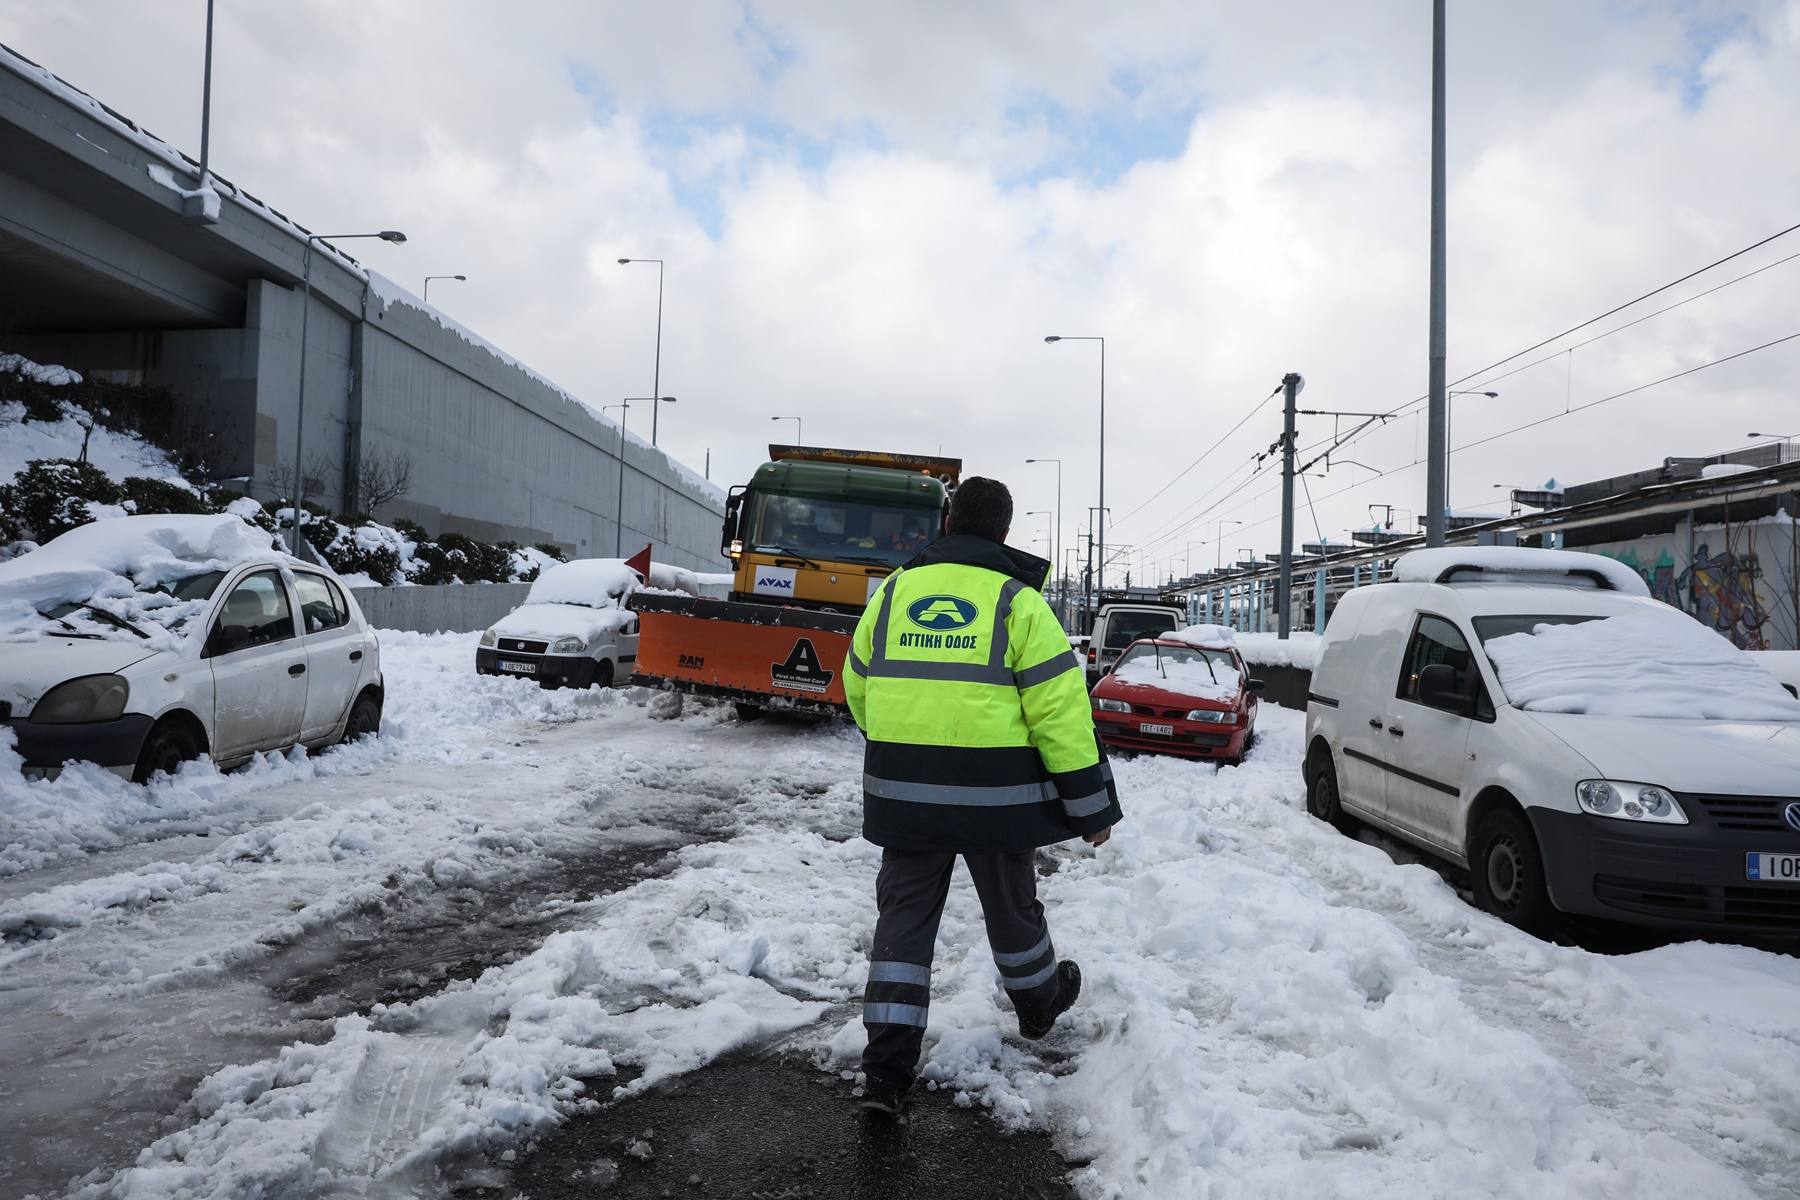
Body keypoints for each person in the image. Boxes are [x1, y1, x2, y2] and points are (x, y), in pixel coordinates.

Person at [843, 476, 1121, 1118]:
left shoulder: (893, 593)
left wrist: (907, 745)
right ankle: (1039, 1003)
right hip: (996, 802)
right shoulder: (1017, 603)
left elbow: (857, 689)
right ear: (1003, 532)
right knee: (1012, 911)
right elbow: (1060, 714)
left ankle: (885, 1074)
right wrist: (1091, 808)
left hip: (905, 799)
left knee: (903, 926)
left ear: (946, 524)